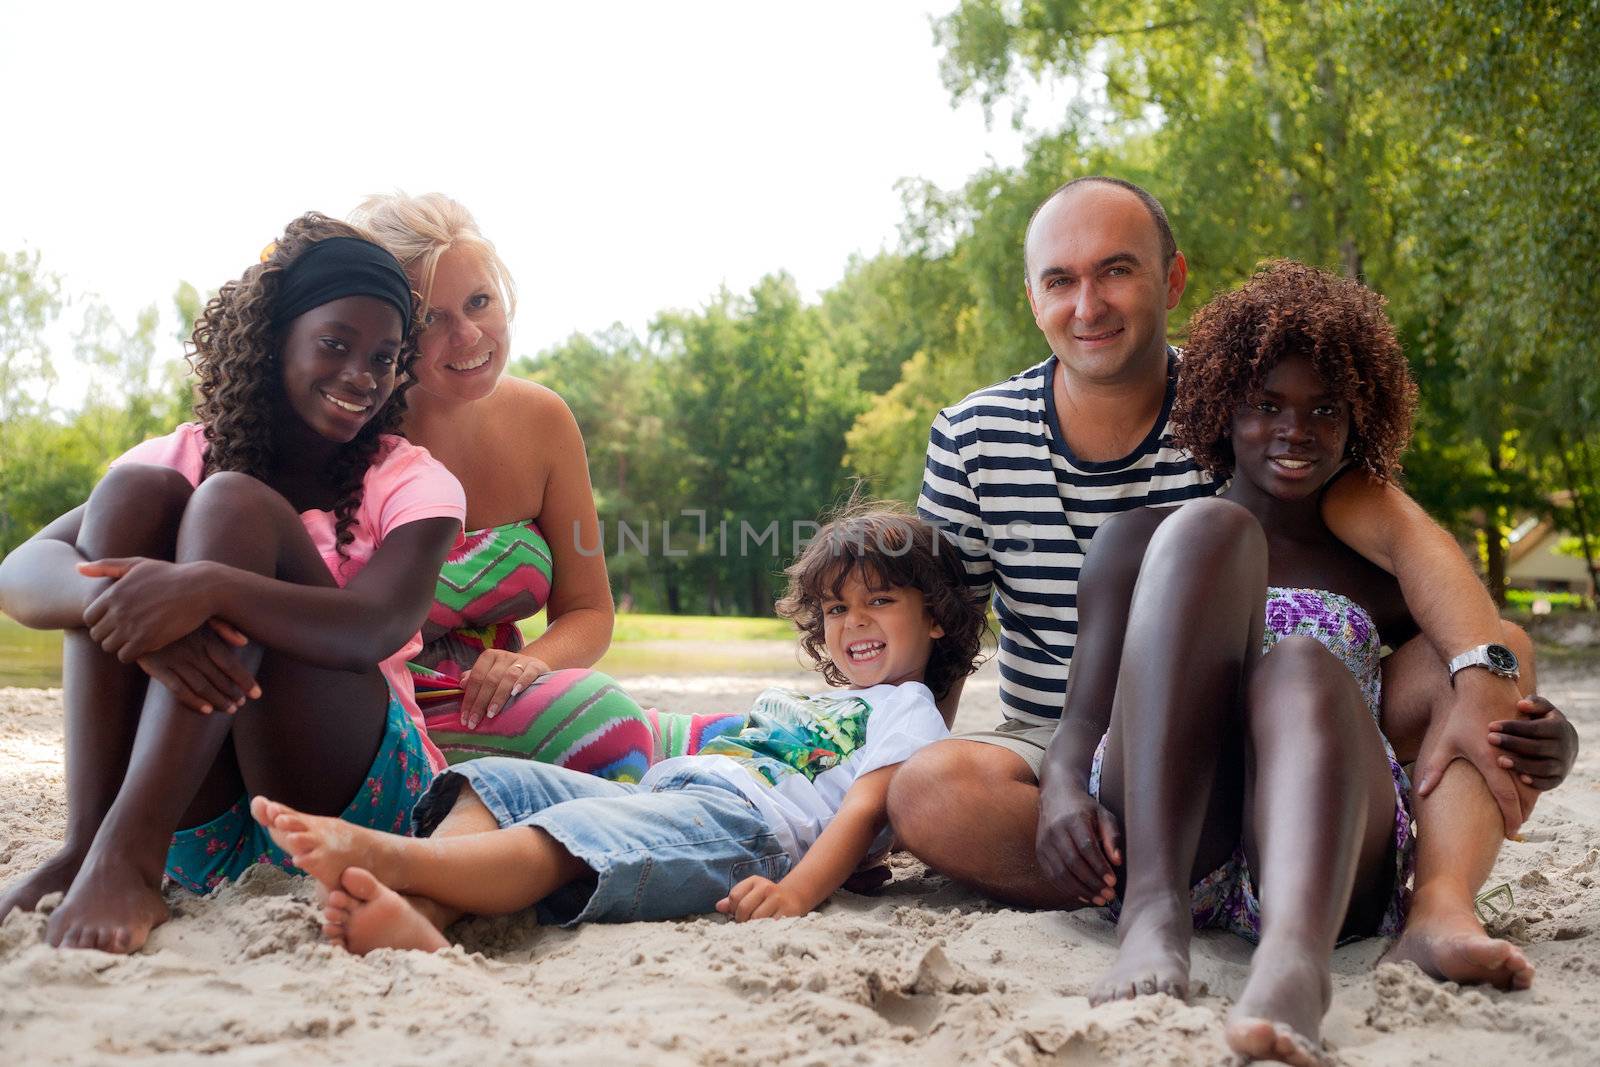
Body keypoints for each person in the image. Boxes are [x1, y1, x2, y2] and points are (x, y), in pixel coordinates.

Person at [893, 176, 1578, 989]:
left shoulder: (1274, 434)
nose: (1293, 429)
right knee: (927, 790)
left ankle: (1436, 901)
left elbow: (1412, 545)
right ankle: (1146, 889)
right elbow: (940, 633)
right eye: (1061, 279)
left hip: (1315, 771)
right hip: (1117, 762)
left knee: (1488, 651)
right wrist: (901, 790)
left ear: (1172, 281)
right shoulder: (984, 436)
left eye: (1116, 271)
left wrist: (1511, 700)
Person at [1034, 261, 1576, 1063]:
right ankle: (1155, 913)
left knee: (1300, 662)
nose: (1296, 430)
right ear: (1223, 409)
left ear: (1362, 422)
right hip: (1180, 835)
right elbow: (1080, 723)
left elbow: (1475, 676)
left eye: (1326, 409)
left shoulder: (1380, 575)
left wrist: (1551, 742)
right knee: (1209, 532)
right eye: (1266, 406)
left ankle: (1295, 961)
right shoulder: (1142, 542)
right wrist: (1054, 797)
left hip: (1322, 857)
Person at [0, 215, 467, 953]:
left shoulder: (410, 479)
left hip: (354, 796)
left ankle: (128, 852)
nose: (361, 377)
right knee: (131, 495)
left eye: (383, 357)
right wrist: (126, 607)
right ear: (275, 337)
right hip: (204, 814)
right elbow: (19, 573)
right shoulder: (184, 452)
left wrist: (212, 589)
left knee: (231, 502)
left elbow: (374, 625)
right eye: (336, 344)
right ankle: (89, 843)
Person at [248, 504, 987, 953]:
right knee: (499, 782)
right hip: (674, 790)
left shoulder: (912, 713)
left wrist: (796, 893)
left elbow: (861, 812)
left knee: (576, 841)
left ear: (935, 616)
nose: (851, 623)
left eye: (878, 601)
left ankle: (397, 860)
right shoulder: (820, 705)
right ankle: (422, 911)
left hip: (741, 829)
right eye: (834, 610)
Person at [349, 193, 742, 778]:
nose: (469, 335)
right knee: (611, 727)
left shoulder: (544, 420)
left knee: (753, 737)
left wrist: (525, 664)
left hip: (509, 701)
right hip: (386, 711)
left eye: (480, 301)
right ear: (392, 329)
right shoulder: (351, 435)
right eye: (433, 318)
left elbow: (588, 610)